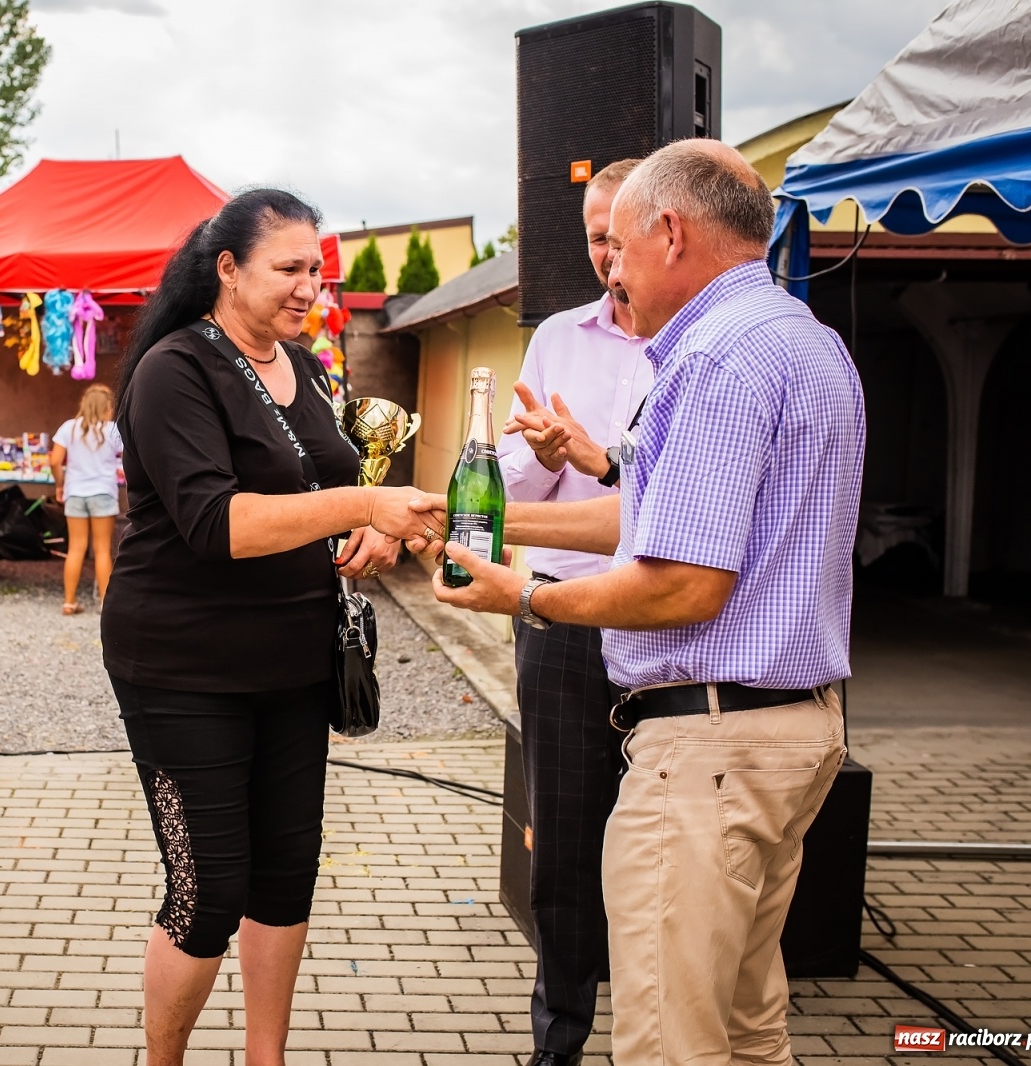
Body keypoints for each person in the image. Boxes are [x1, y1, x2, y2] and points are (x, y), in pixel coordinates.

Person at [428, 140, 864, 1066]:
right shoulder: (807, 340)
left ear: (672, 232)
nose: (611, 272)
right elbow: (656, 517)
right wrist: (494, 534)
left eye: (618, 247)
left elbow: (682, 583)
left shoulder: (711, 358)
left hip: (708, 754)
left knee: (671, 1044)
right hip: (794, 736)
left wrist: (528, 597)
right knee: (747, 1030)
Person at [100, 188, 446, 1066]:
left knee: (286, 878)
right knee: (209, 890)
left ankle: (268, 1060)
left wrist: (364, 529)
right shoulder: (175, 369)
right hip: (183, 667)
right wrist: (364, 499)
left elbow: (316, 491)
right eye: (288, 268)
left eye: (316, 270)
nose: (308, 287)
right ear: (227, 268)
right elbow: (216, 522)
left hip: (295, 663)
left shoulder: (310, 369)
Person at [494, 157, 650, 1066]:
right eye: (592, 236)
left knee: (658, 837)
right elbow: (516, 487)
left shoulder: (699, 344)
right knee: (561, 838)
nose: (602, 253)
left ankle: (656, 1026)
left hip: (674, 618)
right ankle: (559, 1041)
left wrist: (602, 457)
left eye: (614, 236)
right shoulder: (557, 336)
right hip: (559, 617)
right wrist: (535, 449)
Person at [52, 383, 124, 614]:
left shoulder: (68, 428)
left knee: (75, 548)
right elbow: (129, 458)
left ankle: (69, 602)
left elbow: (55, 461)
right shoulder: (113, 430)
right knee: (102, 550)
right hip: (103, 492)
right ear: (106, 407)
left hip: (75, 493)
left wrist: (60, 485)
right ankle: (106, 603)